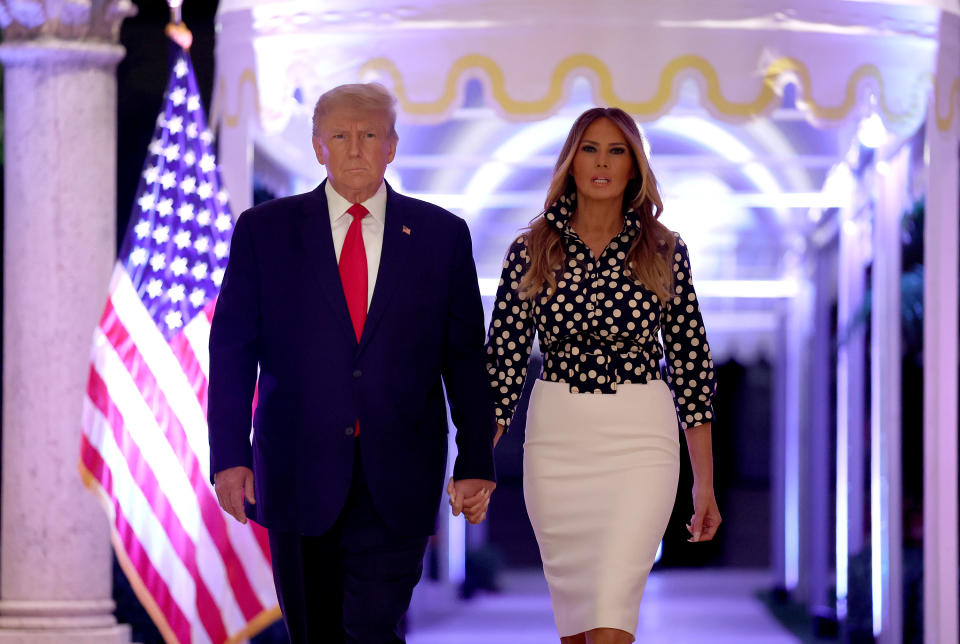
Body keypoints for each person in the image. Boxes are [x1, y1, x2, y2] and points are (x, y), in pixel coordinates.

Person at [207, 83, 497, 644]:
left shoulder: (441, 236)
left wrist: (476, 459)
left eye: (369, 135)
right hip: (296, 471)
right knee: (314, 633)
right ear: (319, 147)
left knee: (371, 628)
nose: (356, 148)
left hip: (399, 474)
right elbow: (233, 350)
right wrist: (228, 456)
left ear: (392, 146)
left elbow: (463, 359)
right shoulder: (265, 231)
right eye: (340, 135)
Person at [483, 107, 721, 644]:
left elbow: (690, 365)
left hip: (640, 439)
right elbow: (502, 364)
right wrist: (477, 461)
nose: (602, 162)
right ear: (571, 161)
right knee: (575, 631)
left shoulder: (664, 249)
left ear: (634, 167)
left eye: (617, 151)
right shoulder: (531, 249)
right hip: (557, 441)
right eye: (590, 148)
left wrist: (703, 484)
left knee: (612, 620)